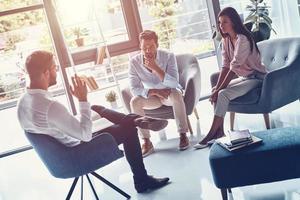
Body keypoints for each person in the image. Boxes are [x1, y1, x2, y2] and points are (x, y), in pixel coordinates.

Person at [17, 50, 170, 193]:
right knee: (129, 130)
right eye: (54, 67)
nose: (56, 70)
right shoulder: (50, 106)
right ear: (46, 73)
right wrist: (82, 99)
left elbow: (53, 126)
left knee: (96, 108)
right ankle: (142, 179)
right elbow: (85, 135)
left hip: (62, 153)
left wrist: (84, 109)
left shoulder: (23, 102)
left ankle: (137, 119)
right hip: (78, 152)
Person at [194, 7, 267, 149]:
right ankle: (219, 131)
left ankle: (211, 134)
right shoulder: (226, 41)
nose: (221, 26)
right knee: (217, 89)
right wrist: (217, 88)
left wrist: (219, 90)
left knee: (222, 93)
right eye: (220, 23)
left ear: (233, 22)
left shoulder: (243, 39)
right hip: (245, 77)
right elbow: (225, 66)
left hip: (257, 78)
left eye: (224, 22)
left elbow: (233, 68)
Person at [129, 30, 190, 157]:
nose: (147, 50)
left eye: (151, 46)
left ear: (157, 45)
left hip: (169, 93)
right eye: (144, 47)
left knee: (177, 95)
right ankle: (146, 141)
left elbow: (174, 83)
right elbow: (134, 88)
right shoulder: (134, 62)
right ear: (140, 46)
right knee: (135, 101)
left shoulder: (168, 56)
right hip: (153, 96)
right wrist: (154, 91)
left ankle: (183, 134)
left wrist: (155, 67)